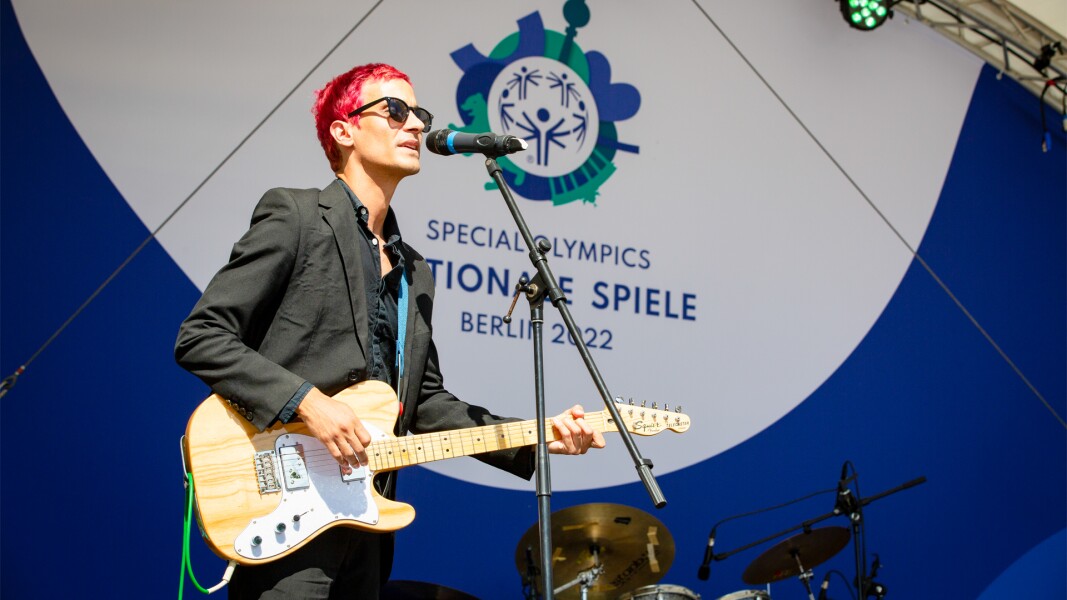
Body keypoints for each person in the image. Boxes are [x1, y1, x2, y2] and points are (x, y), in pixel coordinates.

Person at [174, 62, 605, 599]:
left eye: (419, 114)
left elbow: (422, 405)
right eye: (396, 111)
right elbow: (202, 335)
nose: (417, 126)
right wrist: (309, 402)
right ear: (343, 129)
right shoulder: (298, 216)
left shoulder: (414, 271)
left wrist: (537, 435)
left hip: (364, 525)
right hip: (285, 512)